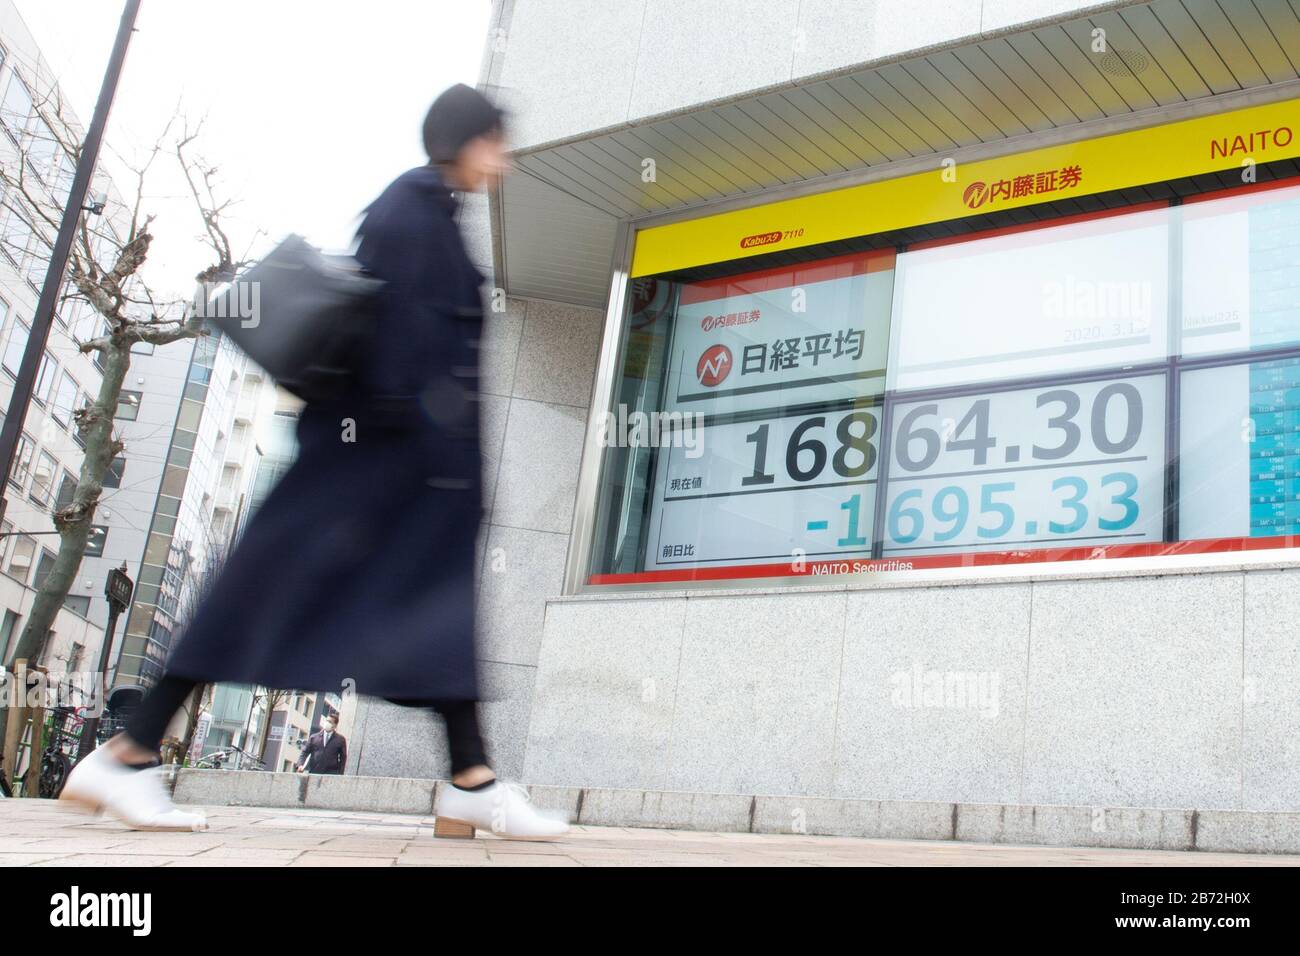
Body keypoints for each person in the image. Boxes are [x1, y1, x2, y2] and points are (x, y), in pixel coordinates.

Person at [61, 84, 568, 841]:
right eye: (496, 141)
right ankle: (128, 754)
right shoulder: (413, 212)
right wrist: (439, 464)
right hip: (369, 478)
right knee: (258, 601)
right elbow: (405, 361)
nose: (504, 158)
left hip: (390, 477)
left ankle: (472, 780)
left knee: (433, 625)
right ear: (466, 141)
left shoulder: (425, 210)